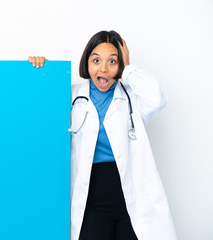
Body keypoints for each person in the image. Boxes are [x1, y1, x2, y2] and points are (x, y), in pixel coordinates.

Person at [28, 30, 177, 240]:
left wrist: (129, 69)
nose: (104, 69)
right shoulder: (70, 95)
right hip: (91, 200)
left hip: (131, 200)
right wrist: (42, 71)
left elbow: (157, 98)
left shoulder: (131, 97)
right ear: (87, 63)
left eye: (113, 61)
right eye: (96, 60)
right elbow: (38, 107)